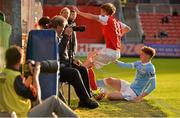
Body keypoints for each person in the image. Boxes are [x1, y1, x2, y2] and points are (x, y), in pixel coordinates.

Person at [0, 45, 77, 117]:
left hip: (9, 114)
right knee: (54, 101)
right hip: (22, 115)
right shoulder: (15, 77)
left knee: (51, 114)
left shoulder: (3, 74)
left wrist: (30, 75)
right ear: (20, 59)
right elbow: (37, 100)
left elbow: (17, 90)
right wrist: (36, 75)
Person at [49, 15, 99, 109]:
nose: (64, 30)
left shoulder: (58, 36)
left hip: (62, 64)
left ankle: (85, 99)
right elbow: (56, 53)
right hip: (54, 67)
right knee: (74, 72)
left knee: (83, 69)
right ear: (58, 26)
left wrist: (72, 60)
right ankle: (86, 100)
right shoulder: (50, 36)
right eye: (63, 27)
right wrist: (66, 37)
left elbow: (62, 54)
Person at [73, 3, 131, 69]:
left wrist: (79, 12)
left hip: (110, 51)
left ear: (105, 11)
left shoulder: (106, 18)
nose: (100, 13)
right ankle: (83, 73)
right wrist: (118, 35)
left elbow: (92, 16)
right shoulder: (116, 21)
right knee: (91, 62)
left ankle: (77, 74)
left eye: (101, 11)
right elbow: (128, 28)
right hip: (117, 53)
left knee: (89, 57)